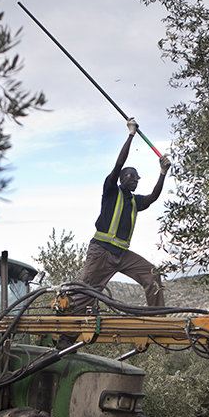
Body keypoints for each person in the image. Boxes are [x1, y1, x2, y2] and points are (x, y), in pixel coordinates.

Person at [70, 117, 172, 314]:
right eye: (131, 177)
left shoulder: (135, 201)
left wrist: (162, 173)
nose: (135, 181)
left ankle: (158, 319)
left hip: (122, 255)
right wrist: (131, 135)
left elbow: (153, 197)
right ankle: (65, 332)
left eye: (137, 178)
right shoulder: (110, 190)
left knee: (153, 275)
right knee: (83, 297)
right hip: (101, 253)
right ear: (121, 178)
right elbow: (119, 163)